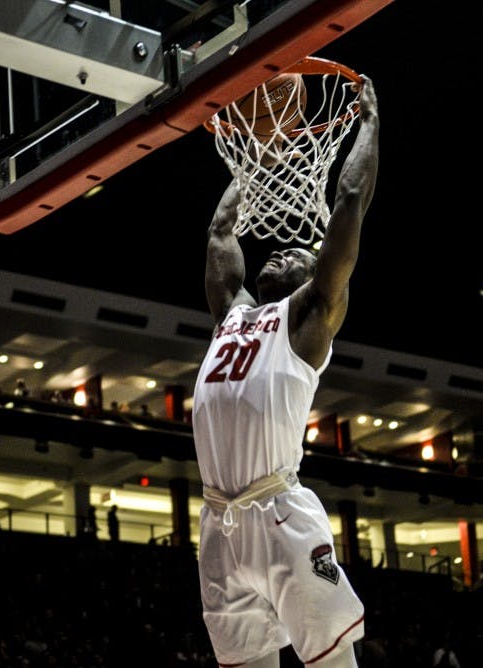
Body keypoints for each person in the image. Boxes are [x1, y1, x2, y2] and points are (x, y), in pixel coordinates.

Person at [191, 74, 379, 668]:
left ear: (314, 274)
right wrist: (252, 163)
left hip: (278, 514)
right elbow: (221, 233)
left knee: (330, 662)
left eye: (301, 252)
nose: (282, 249)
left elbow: (348, 204)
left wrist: (369, 128)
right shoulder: (234, 314)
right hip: (219, 521)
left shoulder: (307, 321)